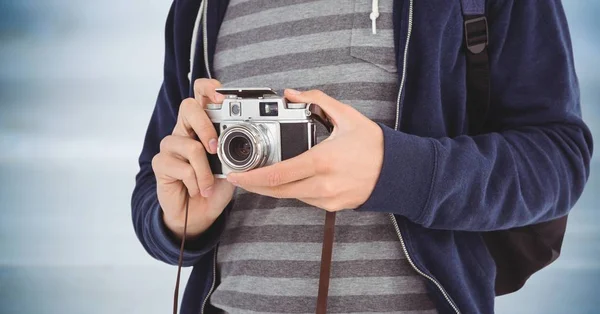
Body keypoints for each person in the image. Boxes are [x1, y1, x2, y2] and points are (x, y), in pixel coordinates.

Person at [132, 0, 593, 313]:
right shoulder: (198, 8)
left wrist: (395, 171)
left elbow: (559, 158)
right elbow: (152, 188)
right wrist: (180, 221)